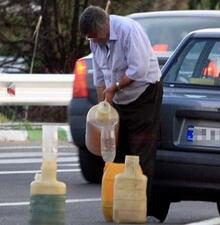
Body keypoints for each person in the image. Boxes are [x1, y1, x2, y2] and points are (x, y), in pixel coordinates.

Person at [79, 5, 163, 220]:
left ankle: (145, 211)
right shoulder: (95, 41)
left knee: (140, 154)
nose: (94, 41)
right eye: (91, 38)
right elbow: (99, 77)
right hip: (118, 97)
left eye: (95, 36)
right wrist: (103, 108)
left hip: (144, 93)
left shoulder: (128, 30)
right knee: (119, 152)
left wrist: (114, 87)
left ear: (104, 25)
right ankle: (122, 207)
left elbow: (138, 69)